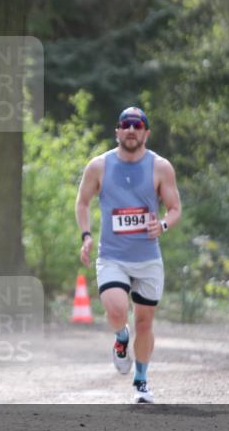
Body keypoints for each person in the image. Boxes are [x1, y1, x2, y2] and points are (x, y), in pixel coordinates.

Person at [75, 107, 181, 403]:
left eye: (138, 125)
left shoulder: (161, 167)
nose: (131, 130)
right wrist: (86, 236)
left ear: (146, 132)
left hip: (147, 256)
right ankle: (121, 338)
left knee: (145, 322)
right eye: (125, 125)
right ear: (117, 131)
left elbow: (175, 209)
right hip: (112, 255)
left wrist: (162, 225)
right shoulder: (99, 166)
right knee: (117, 309)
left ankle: (142, 381)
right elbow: (82, 203)